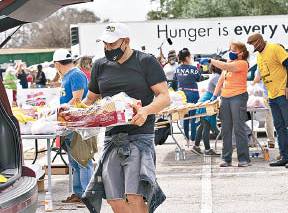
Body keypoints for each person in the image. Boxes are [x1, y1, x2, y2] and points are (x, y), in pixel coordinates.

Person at [81, 22, 170, 213]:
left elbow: (164, 96)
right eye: (105, 44)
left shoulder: (145, 62)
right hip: (111, 138)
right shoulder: (100, 65)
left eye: (112, 44)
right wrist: (72, 115)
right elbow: (90, 98)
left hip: (140, 137)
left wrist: (145, 111)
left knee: (135, 196)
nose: (108, 48)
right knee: (114, 199)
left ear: (126, 41)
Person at [247, 32, 288, 168]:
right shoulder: (260, 57)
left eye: (253, 43)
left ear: (260, 41)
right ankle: (285, 155)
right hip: (273, 95)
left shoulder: (274, 49)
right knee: (279, 126)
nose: (252, 47)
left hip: (285, 92)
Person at [53, 48, 96, 207]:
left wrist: (62, 109)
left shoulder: (76, 75)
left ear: (57, 64)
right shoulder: (68, 76)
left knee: (83, 160)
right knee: (75, 161)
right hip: (70, 124)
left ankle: (87, 195)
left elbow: (78, 99)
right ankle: (78, 193)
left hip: (79, 124)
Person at [251, 58, 288, 159]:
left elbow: (257, 78)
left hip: (273, 94)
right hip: (286, 95)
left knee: (279, 124)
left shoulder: (265, 62)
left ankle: (282, 150)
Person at [209, 42, 251, 167]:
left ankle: (244, 158)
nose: (230, 52)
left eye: (233, 50)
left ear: (241, 53)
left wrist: (211, 61)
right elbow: (221, 80)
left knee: (239, 128)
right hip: (225, 98)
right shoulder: (229, 64)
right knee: (226, 129)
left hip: (238, 97)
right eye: (230, 49)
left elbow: (227, 66)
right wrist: (214, 96)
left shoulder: (242, 63)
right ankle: (226, 158)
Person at [191, 58, 225, 156]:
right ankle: (207, 149)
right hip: (208, 102)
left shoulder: (216, 75)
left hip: (206, 100)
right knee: (206, 125)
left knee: (202, 125)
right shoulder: (217, 77)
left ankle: (196, 146)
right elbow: (223, 90)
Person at [173, 48, 201, 146]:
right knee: (193, 117)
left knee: (185, 117)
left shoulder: (177, 69)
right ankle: (193, 140)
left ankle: (187, 140)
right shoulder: (193, 68)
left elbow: (175, 79)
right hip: (193, 93)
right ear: (187, 57)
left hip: (182, 95)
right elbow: (198, 78)